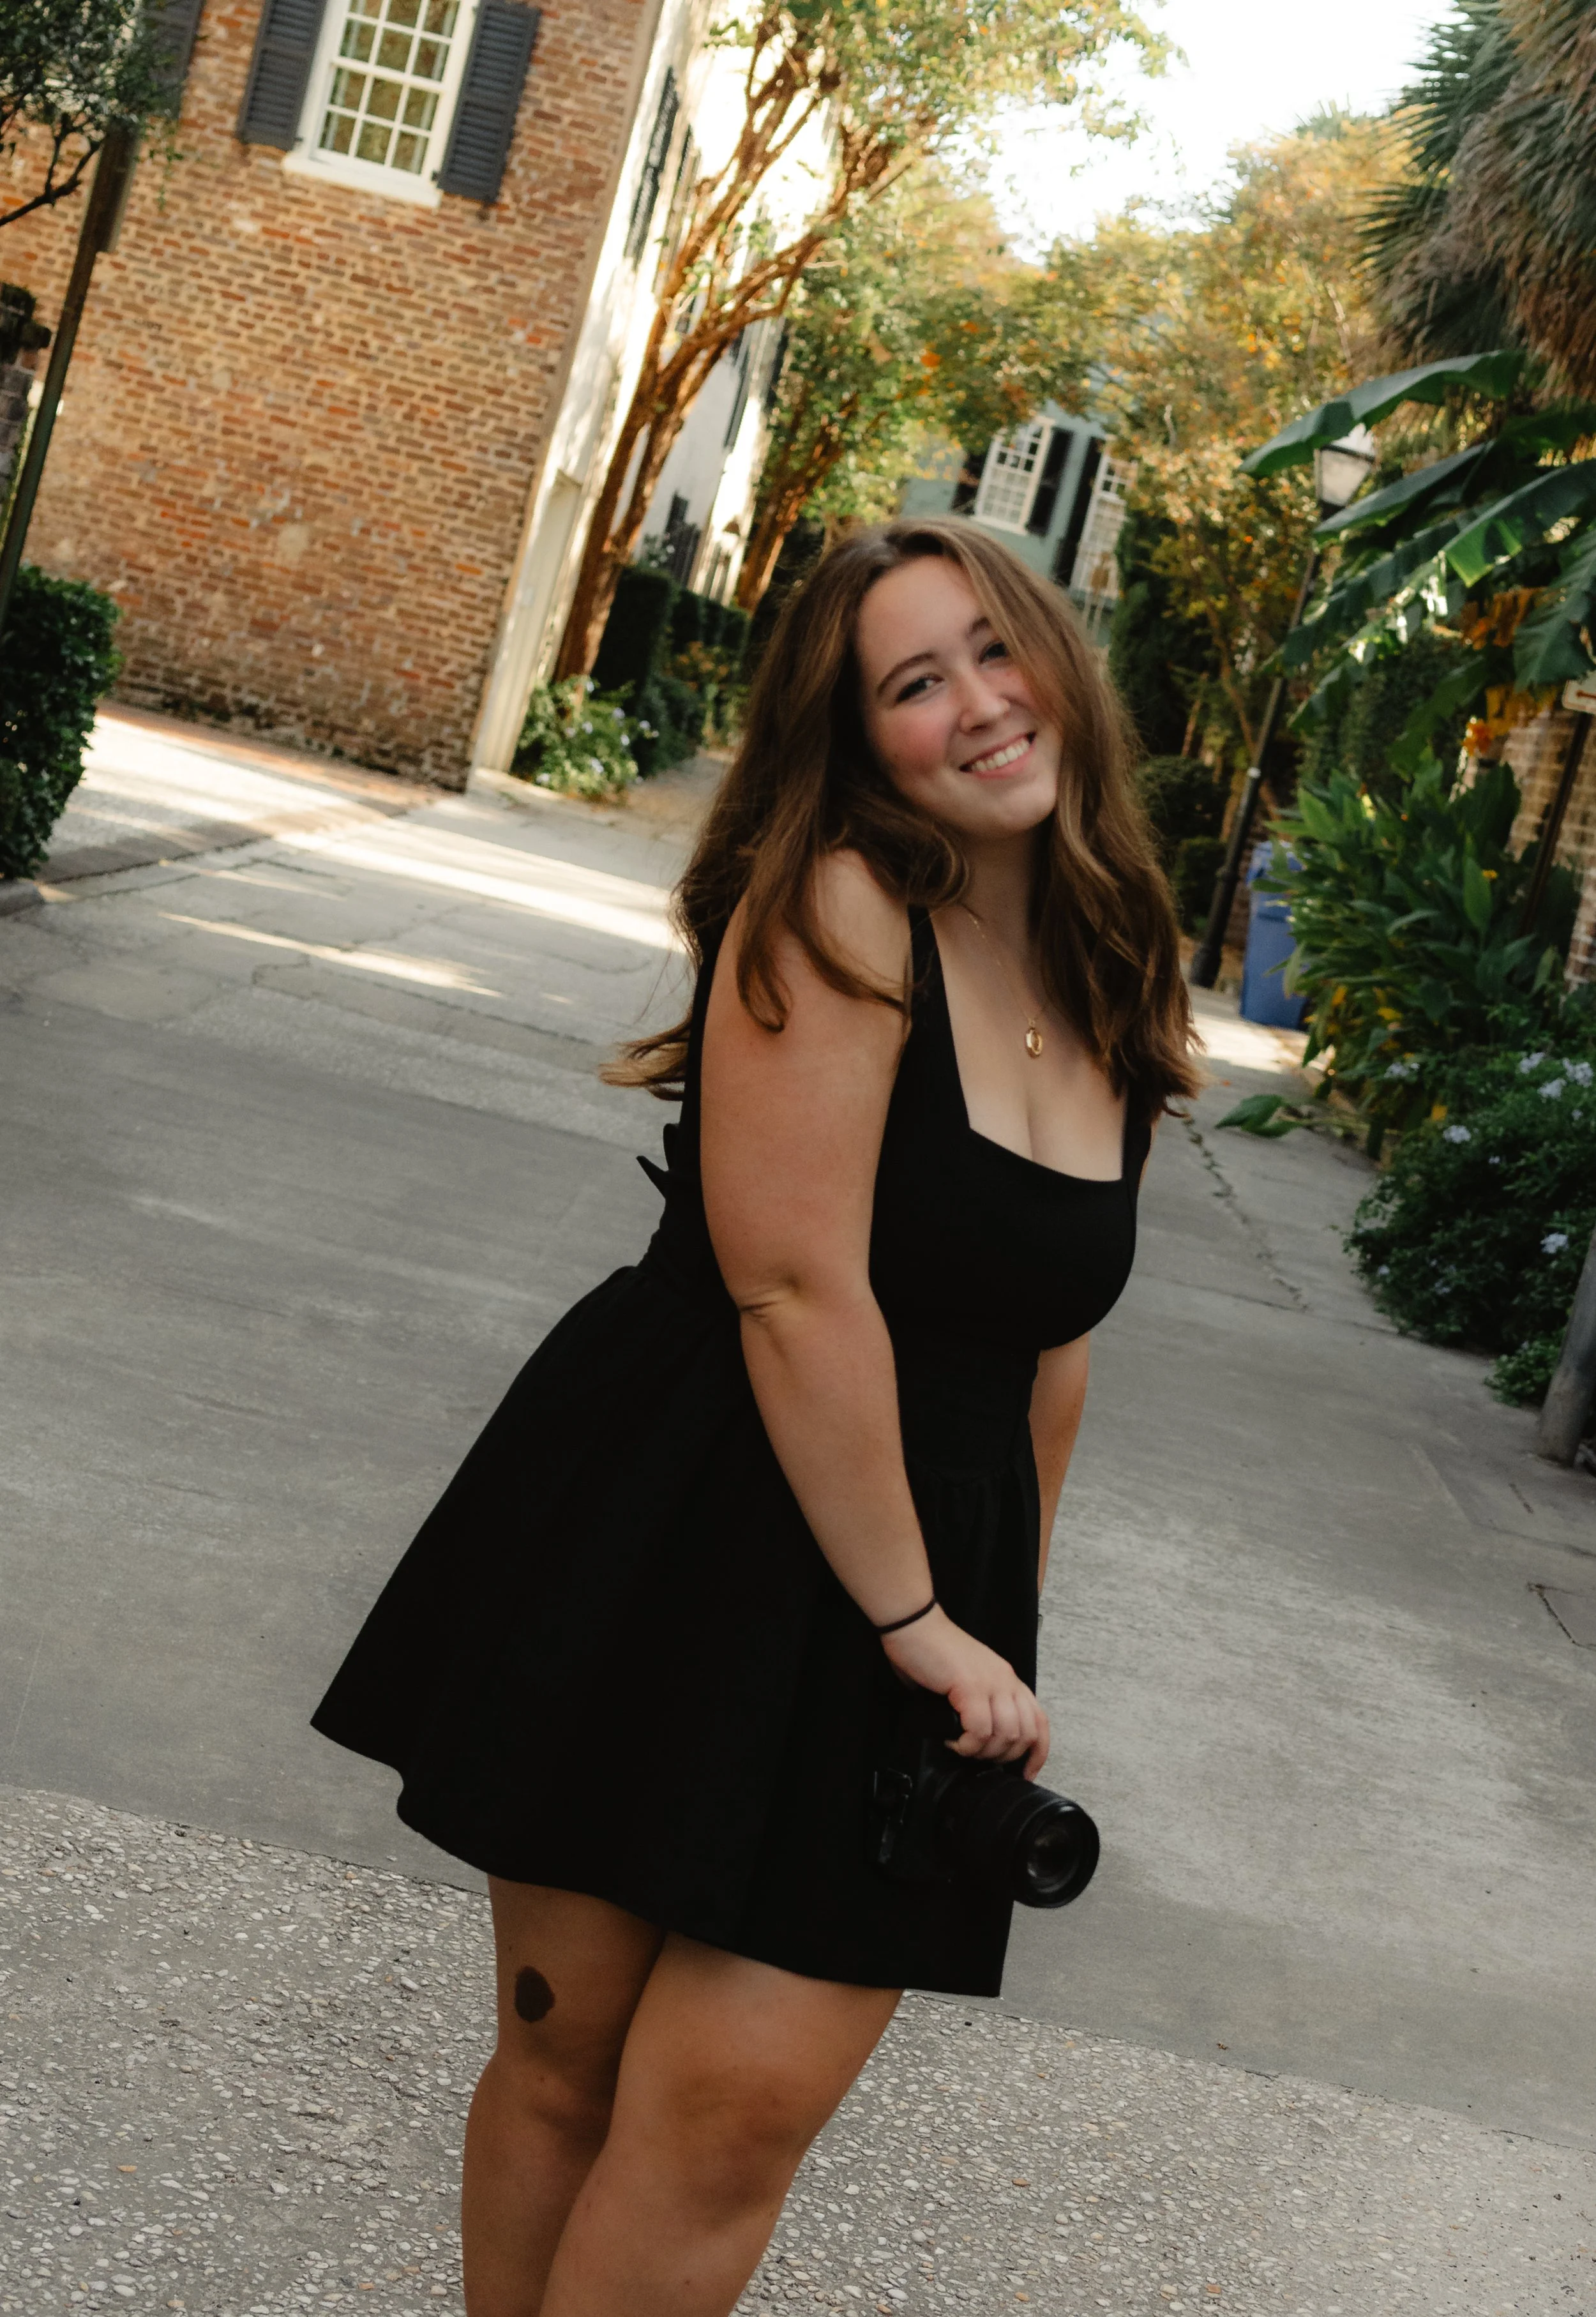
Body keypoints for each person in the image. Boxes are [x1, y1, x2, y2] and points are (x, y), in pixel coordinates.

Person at [312, 515, 1199, 2317]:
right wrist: (918, 1616)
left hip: (922, 1575)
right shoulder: (838, 907)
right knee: (570, 2057)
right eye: (913, 681)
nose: (977, 704)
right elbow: (794, 1291)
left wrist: (998, 1626)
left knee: (736, 2115)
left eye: (994, 650)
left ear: (1061, 662)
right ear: (856, 737)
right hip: (691, 1510)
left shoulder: (1114, 960)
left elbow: (1054, 1343)